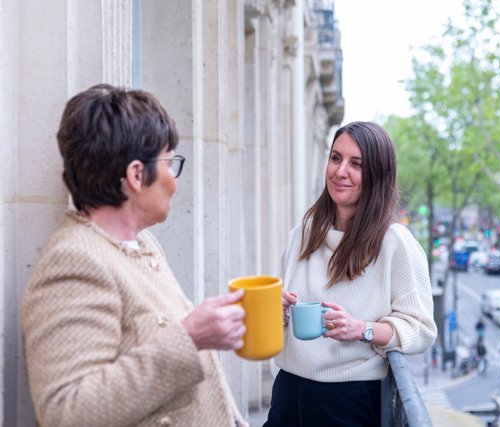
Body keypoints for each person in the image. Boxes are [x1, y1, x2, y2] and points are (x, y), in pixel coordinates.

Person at [21, 84, 248, 427]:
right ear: (137, 175)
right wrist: (190, 338)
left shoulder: (144, 244)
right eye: (171, 164)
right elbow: (66, 411)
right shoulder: (74, 261)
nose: (174, 180)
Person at [264, 121, 438, 427]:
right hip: (288, 392)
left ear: (377, 175)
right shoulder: (303, 232)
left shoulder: (396, 243)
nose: (340, 171)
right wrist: (275, 308)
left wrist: (362, 329)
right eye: (335, 158)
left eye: (356, 164)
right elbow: (273, 317)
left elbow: (421, 328)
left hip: (351, 402)